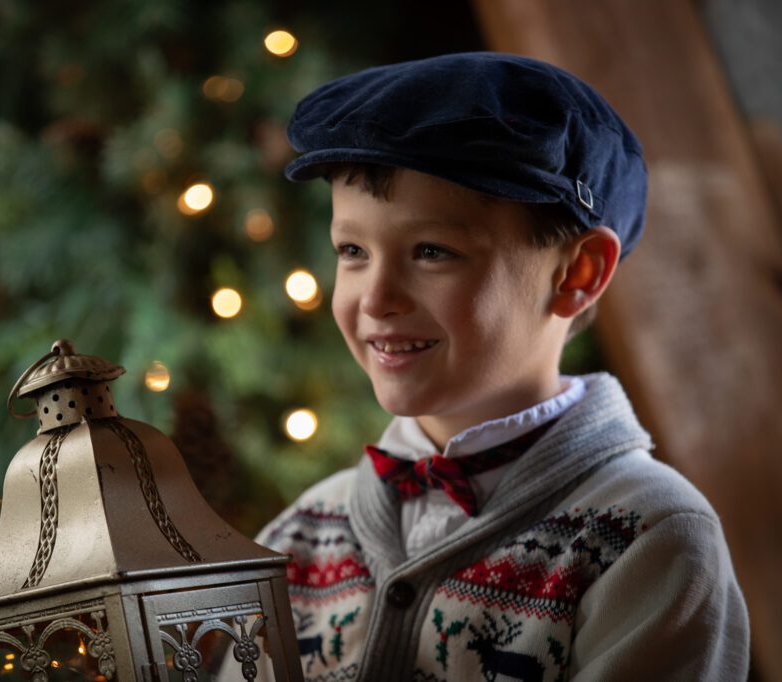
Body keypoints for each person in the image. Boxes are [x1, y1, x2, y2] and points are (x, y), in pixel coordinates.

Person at [254, 52, 750, 681]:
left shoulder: (649, 539)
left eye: (431, 251)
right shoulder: (298, 536)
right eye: (352, 250)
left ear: (578, 273)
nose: (375, 299)